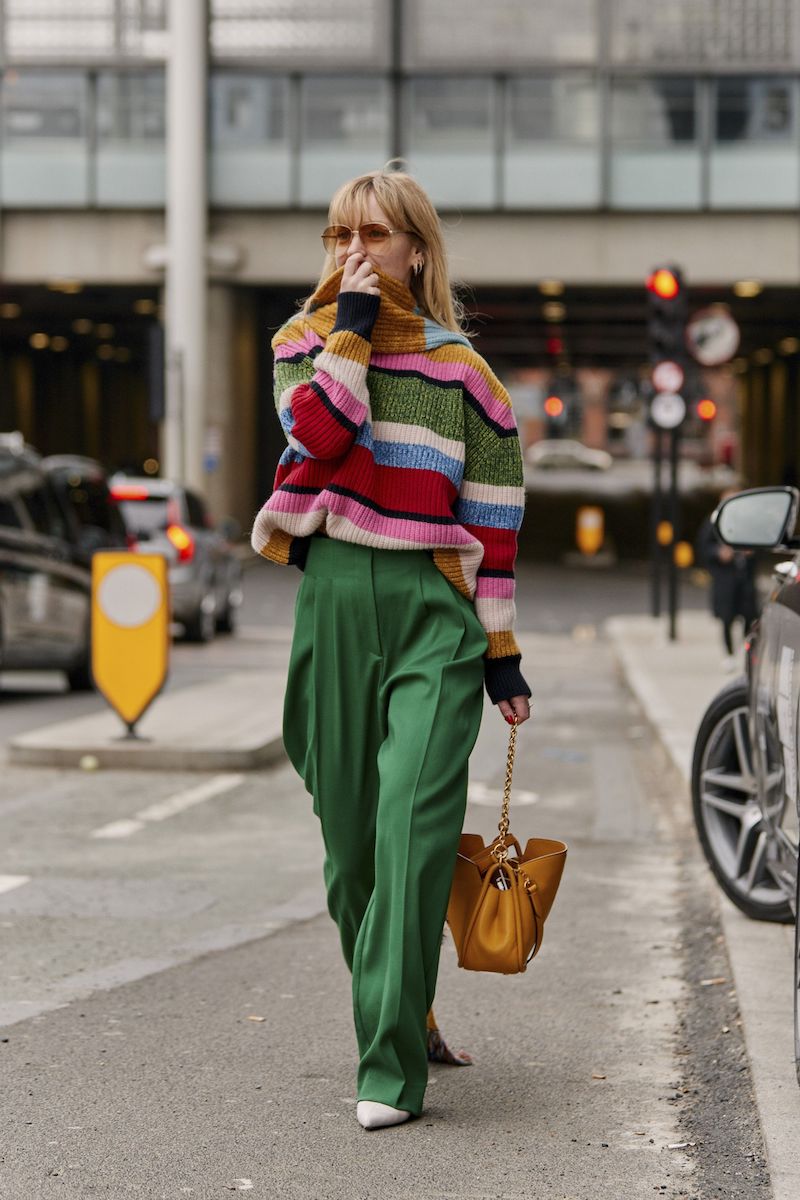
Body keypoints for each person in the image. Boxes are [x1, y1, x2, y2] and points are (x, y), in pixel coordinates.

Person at [251, 168, 531, 1130]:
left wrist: (501, 655)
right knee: (350, 855)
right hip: (332, 600)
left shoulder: (468, 376)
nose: (353, 253)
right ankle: (407, 1004)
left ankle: (388, 1068)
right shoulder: (302, 346)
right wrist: (353, 328)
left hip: (432, 614)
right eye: (338, 236)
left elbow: (492, 526)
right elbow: (320, 438)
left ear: (418, 248)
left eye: (373, 235)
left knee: (412, 830)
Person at [696, 488, 759, 669]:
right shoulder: (713, 522)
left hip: (744, 579)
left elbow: (762, 547)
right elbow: (703, 547)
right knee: (727, 618)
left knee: (749, 617)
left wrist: (751, 552)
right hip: (725, 580)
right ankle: (729, 654)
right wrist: (719, 553)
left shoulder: (747, 523)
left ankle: (748, 654)